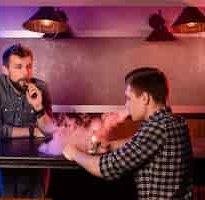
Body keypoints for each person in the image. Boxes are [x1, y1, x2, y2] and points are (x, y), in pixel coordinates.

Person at [63, 67, 193, 200]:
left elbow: (106, 168)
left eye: (129, 99)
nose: (127, 105)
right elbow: (139, 143)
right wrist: (110, 145)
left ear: (144, 98)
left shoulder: (157, 128)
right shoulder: (174, 121)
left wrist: (73, 152)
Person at [0, 44, 55, 197]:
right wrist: (32, 131)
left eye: (29, 66)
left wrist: (38, 107)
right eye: (18, 67)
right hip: (6, 161)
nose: (25, 73)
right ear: (5, 69)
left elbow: (49, 132)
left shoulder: (41, 87)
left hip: (37, 163)